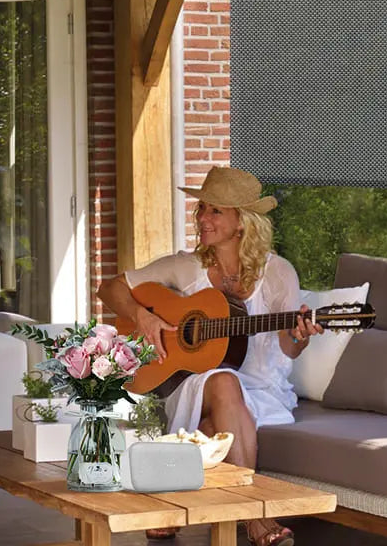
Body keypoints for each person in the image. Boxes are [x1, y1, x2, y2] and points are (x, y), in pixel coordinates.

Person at [97, 167, 322, 546]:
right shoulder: (186, 267)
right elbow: (111, 288)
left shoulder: (279, 273)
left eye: (215, 211)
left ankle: (171, 499)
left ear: (241, 221)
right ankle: (254, 517)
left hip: (264, 390)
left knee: (221, 401)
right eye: (201, 208)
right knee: (222, 379)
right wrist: (143, 316)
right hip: (194, 384)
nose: (202, 218)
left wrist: (301, 336)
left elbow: (288, 348)